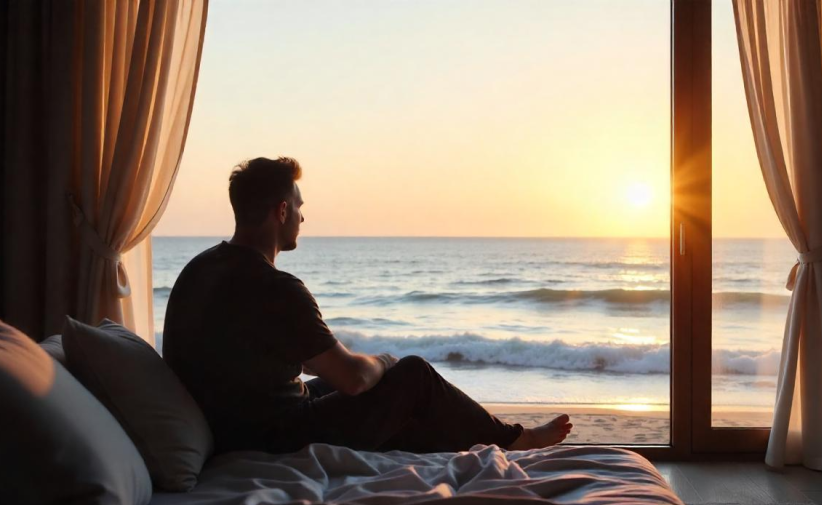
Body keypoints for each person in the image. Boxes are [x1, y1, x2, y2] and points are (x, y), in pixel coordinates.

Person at [162, 156, 573, 455]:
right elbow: (353, 379)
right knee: (411, 374)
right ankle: (520, 440)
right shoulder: (277, 287)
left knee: (390, 403)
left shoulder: (198, 270)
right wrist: (383, 361)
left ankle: (477, 446)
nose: (303, 219)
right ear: (281, 211)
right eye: (299, 208)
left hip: (230, 427)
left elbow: (248, 357)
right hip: (275, 435)